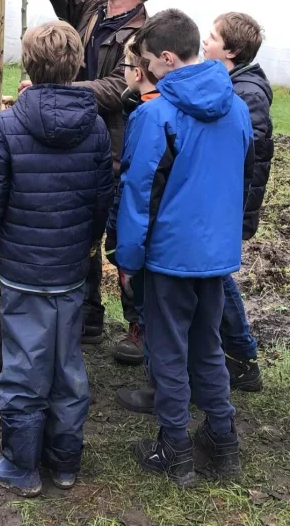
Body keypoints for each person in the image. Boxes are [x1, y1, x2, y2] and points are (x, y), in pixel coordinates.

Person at [0, 21, 114, 496]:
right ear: (78, 65)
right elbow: (101, 198)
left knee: (24, 368)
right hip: (70, 272)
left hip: (24, 272)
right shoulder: (93, 126)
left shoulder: (7, 126)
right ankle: (65, 462)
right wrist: (87, 245)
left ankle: (21, 465)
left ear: (27, 63)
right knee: (67, 366)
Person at [115, 9, 254, 486]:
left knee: (168, 353)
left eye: (149, 62)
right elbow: (243, 175)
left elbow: (138, 196)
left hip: (169, 258)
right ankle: (223, 439)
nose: (145, 72)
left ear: (168, 59)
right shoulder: (237, 107)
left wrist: (127, 261)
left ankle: (174, 450)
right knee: (207, 345)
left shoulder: (155, 116)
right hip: (215, 254)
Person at [15, 0, 160, 355]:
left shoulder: (149, 33)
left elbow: (122, 87)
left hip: (116, 146)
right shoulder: (92, 11)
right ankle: (88, 318)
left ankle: (140, 326)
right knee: (82, 236)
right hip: (73, 138)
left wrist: (56, 90)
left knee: (120, 239)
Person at [203, 12, 273, 392]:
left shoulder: (247, 94)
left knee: (217, 280)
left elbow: (251, 160)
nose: (204, 41)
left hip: (230, 206)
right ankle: (232, 353)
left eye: (212, 36)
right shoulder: (232, 83)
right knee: (215, 279)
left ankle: (243, 359)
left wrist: (239, 213)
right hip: (224, 203)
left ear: (230, 50)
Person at [104, 38, 160, 370]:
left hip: (140, 216)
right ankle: (136, 326)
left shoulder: (151, 114)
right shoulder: (136, 105)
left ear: (137, 72)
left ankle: (147, 334)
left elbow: (137, 180)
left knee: (137, 273)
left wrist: (117, 224)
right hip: (131, 212)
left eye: (124, 67)